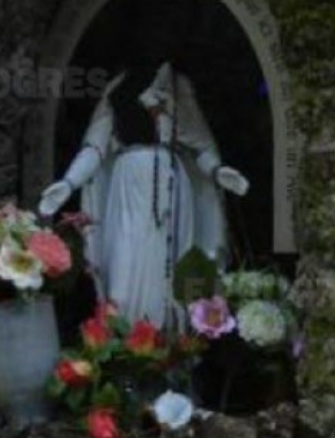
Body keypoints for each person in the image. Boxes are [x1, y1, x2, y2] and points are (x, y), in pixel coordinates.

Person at [38, 55, 249, 329]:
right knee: (123, 274)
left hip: (172, 188)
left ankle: (172, 347)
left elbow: (200, 145)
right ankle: (126, 345)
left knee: (172, 268)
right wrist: (68, 183)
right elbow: (95, 147)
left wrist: (217, 171)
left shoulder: (175, 86)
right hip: (128, 188)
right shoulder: (116, 89)